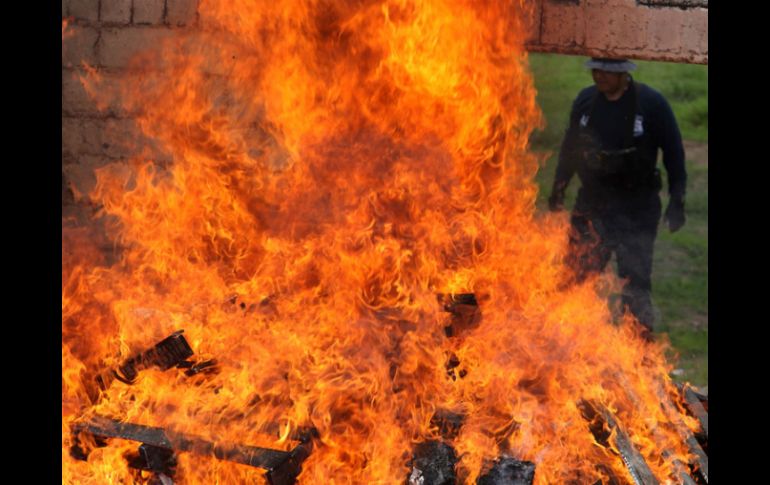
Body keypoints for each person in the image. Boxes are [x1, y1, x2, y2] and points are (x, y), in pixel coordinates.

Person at [548, 57, 686, 340]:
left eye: (607, 72)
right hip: (593, 205)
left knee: (635, 282)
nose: (599, 76)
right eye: (596, 70)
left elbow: (674, 152)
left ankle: (638, 351)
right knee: (575, 277)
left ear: (624, 74)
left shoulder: (652, 104)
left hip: (636, 208)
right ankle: (564, 345)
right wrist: (559, 188)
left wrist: (677, 200)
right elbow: (570, 148)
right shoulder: (586, 102)